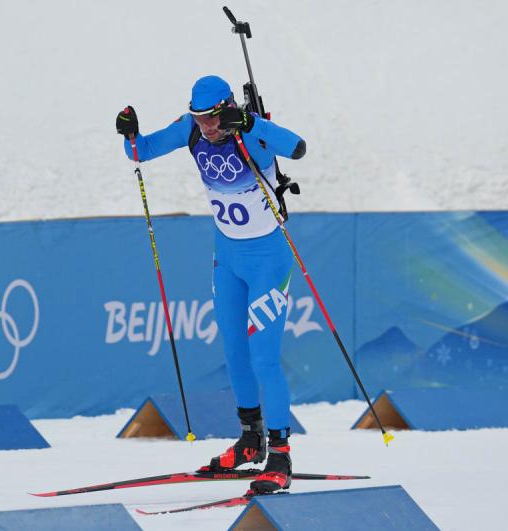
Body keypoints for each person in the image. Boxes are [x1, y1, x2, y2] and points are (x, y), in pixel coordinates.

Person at [115, 75, 306, 494]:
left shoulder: (249, 133)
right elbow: (140, 151)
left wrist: (251, 123)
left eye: (213, 118)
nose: (206, 127)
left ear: (228, 110)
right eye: (199, 118)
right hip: (228, 259)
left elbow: (296, 147)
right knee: (234, 354)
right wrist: (130, 133)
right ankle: (251, 440)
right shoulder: (191, 129)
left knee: (264, 360)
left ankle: (280, 455)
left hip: (268, 262)